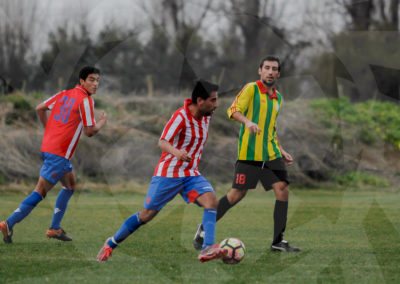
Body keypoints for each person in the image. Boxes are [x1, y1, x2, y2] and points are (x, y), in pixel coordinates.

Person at [97, 80, 227, 263]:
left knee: (211, 201)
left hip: (190, 174)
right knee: (145, 216)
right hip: (169, 174)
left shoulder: (207, 114)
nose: (216, 104)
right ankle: (111, 243)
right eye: (213, 100)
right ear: (199, 100)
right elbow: (162, 142)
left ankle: (208, 248)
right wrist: (177, 153)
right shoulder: (180, 117)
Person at [193, 56, 300, 252]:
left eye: (274, 69)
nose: (270, 71)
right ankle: (203, 229)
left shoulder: (278, 98)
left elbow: (271, 129)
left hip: (271, 154)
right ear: (260, 70)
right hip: (249, 155)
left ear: (278, 74)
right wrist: (248, 122)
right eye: (266, 68)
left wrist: (281, 150)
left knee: (282, 189)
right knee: (236, 195)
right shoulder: (251, 89)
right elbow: (233, 111)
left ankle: (278, 241)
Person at [0, 66, 107, 243]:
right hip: (59, 153)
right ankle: (8, 223)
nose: (95, 84)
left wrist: (49, 131)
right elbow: (89, 131)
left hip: (51, 149)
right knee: (40, 192)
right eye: (91, 79)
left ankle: (55, 228)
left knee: (70, 185)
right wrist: (102, 122)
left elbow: (40, 108)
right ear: (82, 81)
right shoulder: (86, 101)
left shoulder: (64, 94)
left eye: (97, 80)